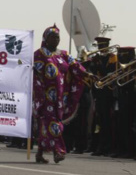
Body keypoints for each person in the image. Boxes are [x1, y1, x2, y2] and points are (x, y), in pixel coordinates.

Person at [32, 25, 95, 164]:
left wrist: (86, 73)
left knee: (48, 124)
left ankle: (40, 153)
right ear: (45, 39)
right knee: (53, 123)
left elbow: (75, 66)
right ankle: (58, 151)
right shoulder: (39, 54)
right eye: (52, 37)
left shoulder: (63, 54)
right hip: (45, 96)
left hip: (60, 96)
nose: (56, 39)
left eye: (58, 37)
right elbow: (33, 72)